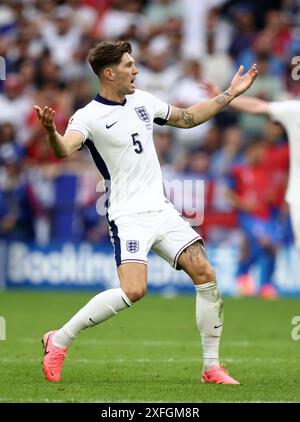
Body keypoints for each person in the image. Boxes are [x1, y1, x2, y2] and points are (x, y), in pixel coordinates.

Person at [34, 41, 257, 385]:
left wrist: (229, 94)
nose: (135, 70)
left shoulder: (143, 101)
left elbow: (187, 118)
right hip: (128, 215)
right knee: (134, 291)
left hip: (161, 209)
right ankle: (58, 340)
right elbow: (64, 149)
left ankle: (211, 367)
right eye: (128, 65)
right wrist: (51, 131)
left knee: (205, 272)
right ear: (109, 73)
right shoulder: (88, 116)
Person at [203, 80, 300, 252]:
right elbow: (259, 106)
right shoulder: (295, 110)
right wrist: (226, 97)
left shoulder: (282, 151)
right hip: (284, 206)